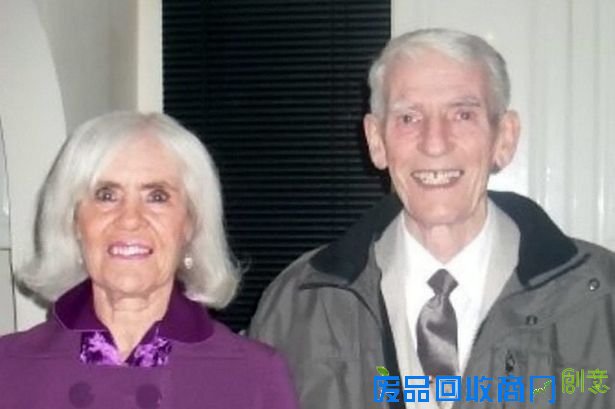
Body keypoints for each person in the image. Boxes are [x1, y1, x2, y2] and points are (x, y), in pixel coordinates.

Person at [249, 28, 615, 409]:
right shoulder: (298, 306)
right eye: (409, 118)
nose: (435, 143)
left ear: (504, 138)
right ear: (376, 141)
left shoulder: (602, 301)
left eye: (462, 114)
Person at [0, 112, 300, 409]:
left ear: (190, 223)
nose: (130, 219)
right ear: (74, 221)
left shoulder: (255, 375)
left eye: (157, 196)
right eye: (106, 195)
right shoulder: (9, 368)